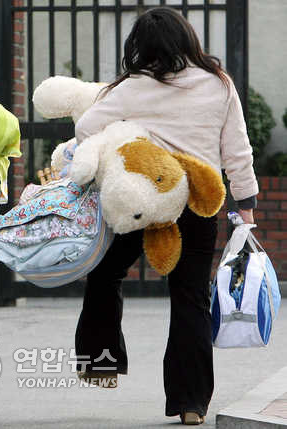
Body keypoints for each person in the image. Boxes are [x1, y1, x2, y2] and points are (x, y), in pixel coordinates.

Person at [73, 7, 258, 426]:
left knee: (105, 272)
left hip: (143, 199)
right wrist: (244, 204)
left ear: (140, 47)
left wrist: (127, 145)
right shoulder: (218, 84)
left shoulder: (131, 88)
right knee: (190, 295)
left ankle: (101, 363)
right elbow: (237, 150)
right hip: (196, 201)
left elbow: (86, 129)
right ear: (188, 40)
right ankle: (190, 403)